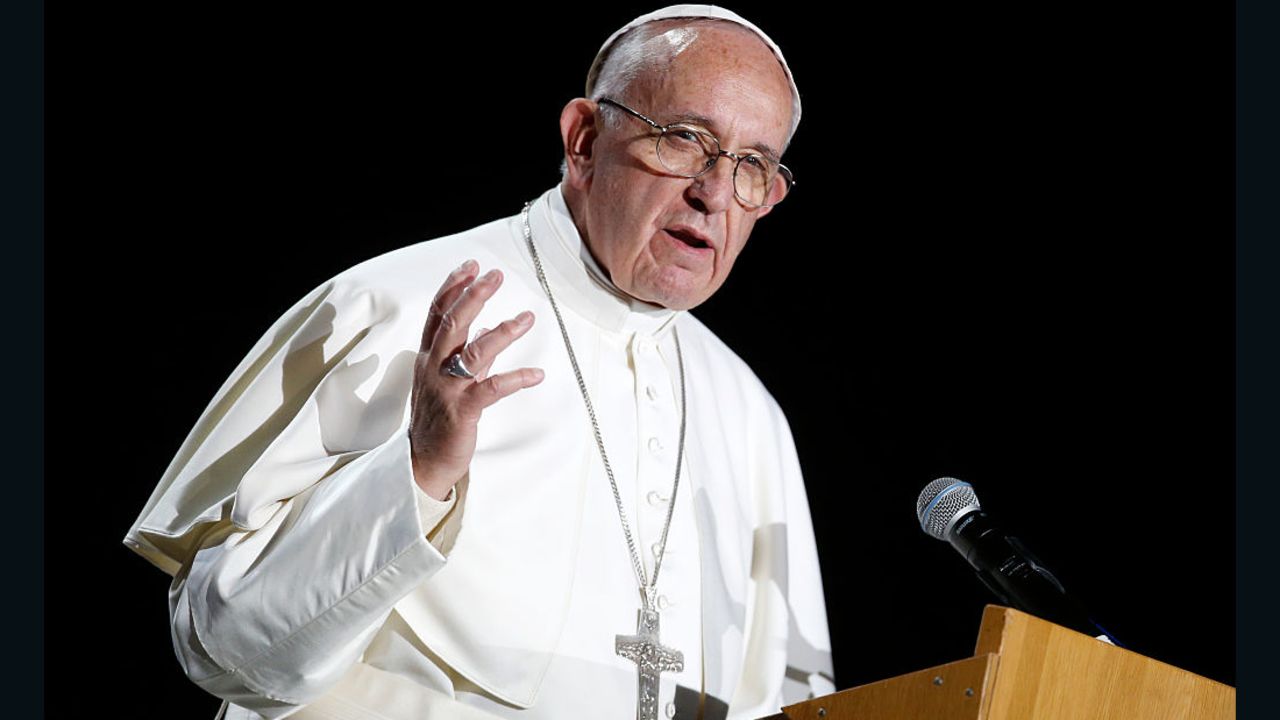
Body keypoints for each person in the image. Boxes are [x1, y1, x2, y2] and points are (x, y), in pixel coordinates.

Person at [124, 6, 834, 719]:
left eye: (753, 166)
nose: (713, 193)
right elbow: (220, 647)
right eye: (685, 139)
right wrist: (419, 472)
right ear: (584, 140)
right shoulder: (394, 308)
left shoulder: (749, 415)